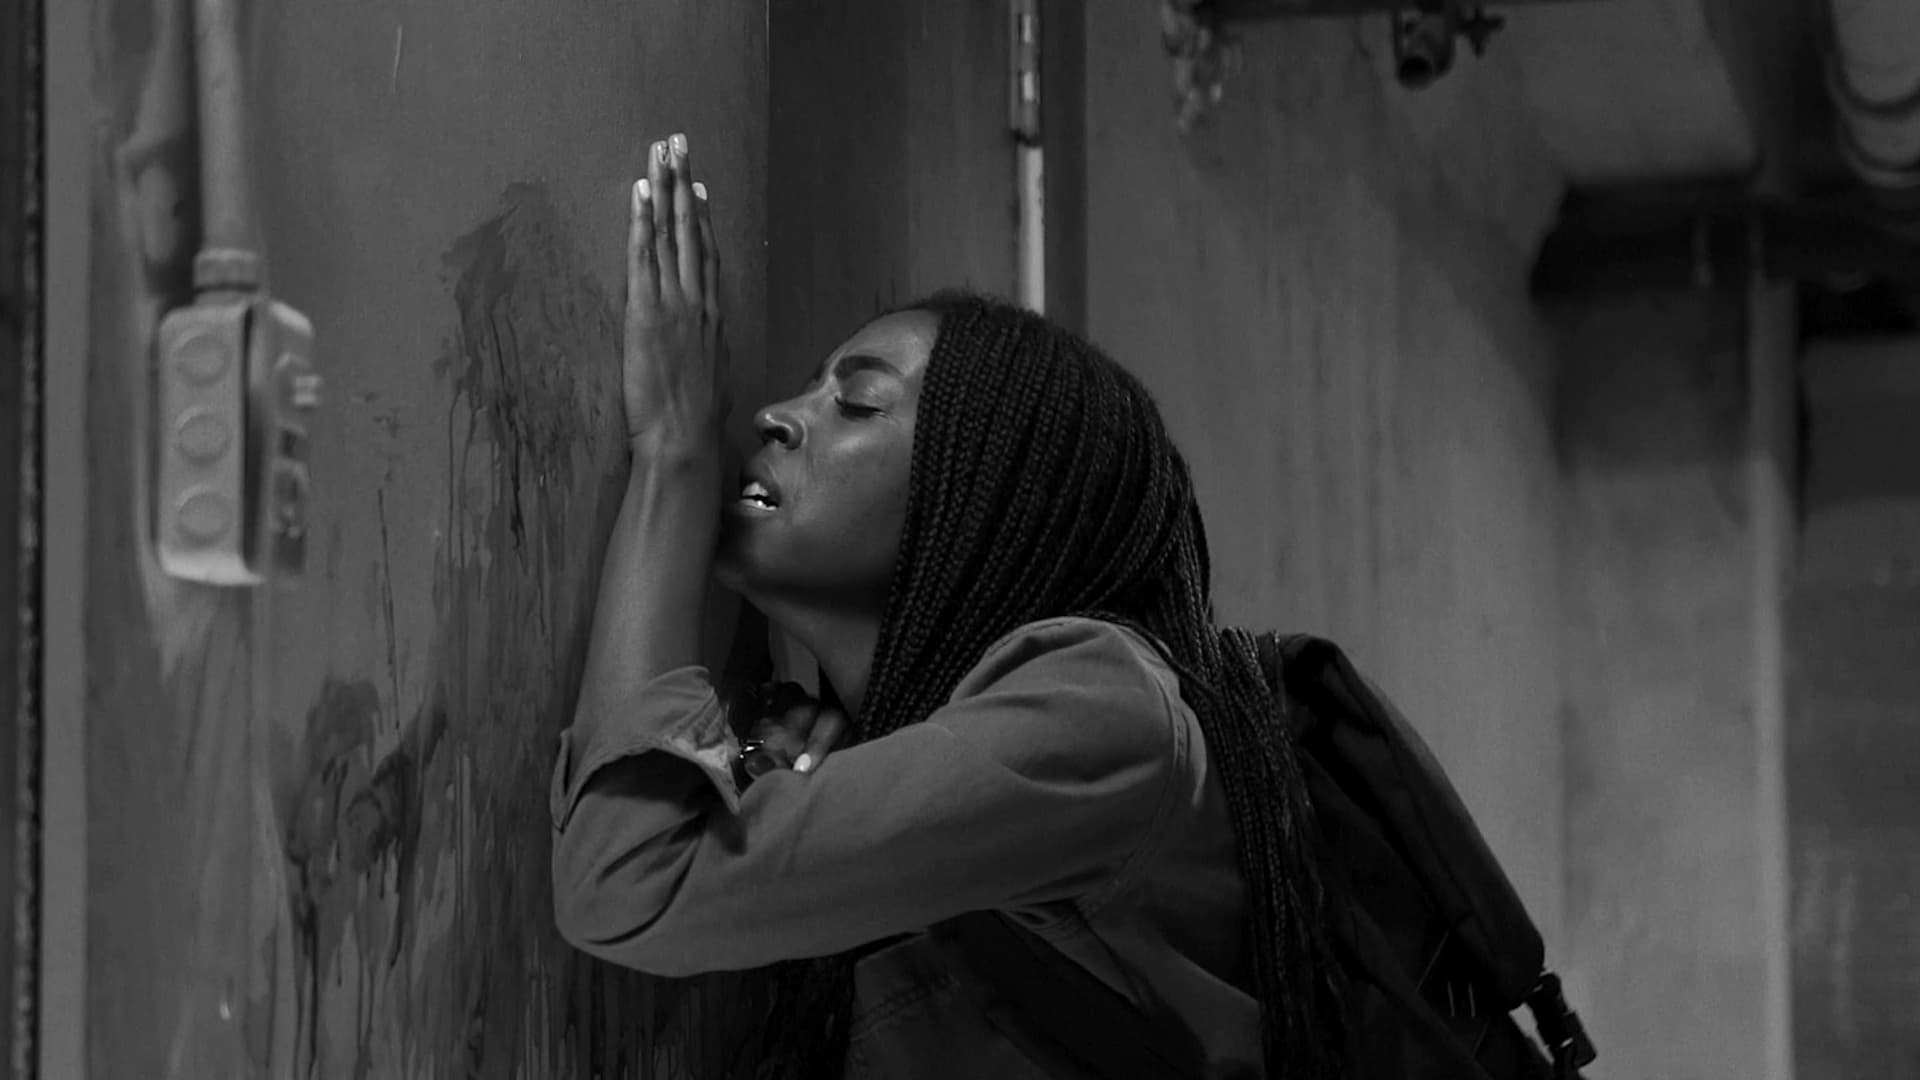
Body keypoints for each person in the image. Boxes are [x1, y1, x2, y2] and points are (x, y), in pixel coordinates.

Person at [550, 131, 1341, 1079]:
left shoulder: (1101, 712)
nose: (775, 417)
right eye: (811, 388)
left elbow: (627, 881)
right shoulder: (942, 754)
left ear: (985, 497)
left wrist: (675, 451)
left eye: (857, 404)